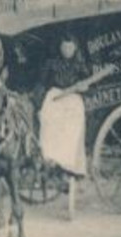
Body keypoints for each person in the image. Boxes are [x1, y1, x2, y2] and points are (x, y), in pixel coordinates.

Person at [37, 33, 106, 220]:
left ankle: (68, 162)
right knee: (47, 118)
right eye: (64, 47)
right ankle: (50, 158)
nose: (67, 50)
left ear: (75, 48)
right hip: (55, 97)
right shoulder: (51, 64)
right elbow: (42, 85)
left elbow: (91, 88)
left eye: (70, 47)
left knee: (72, 124)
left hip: (73, 99)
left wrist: (85, 88)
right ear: (60, 47)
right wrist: (39, 104)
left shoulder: (80, 66)